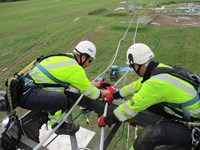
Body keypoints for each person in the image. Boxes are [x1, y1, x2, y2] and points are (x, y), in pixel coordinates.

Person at [97, 43, 200, 150]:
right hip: (192, 111)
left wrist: (107, 120)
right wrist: (114, 95)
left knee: (148, 136)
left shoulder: (154, 84)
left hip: (196, 123)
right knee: (146, 102)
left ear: (136, 66)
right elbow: (136, 85)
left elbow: (130, 107)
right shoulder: (160, 69)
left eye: (132, 67)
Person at [17, 40, 116, 143]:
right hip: (27, 94)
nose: (89, 64)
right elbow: (95, 94)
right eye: (90, 61)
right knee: (61, 99)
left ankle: (35, 123)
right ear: (83, 57)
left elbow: (81, 85)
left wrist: (100, 84)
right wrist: (110, 91)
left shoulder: (66, 58)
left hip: (27, 90)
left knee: (62, 95)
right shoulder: (75, 69)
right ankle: (58, 125)